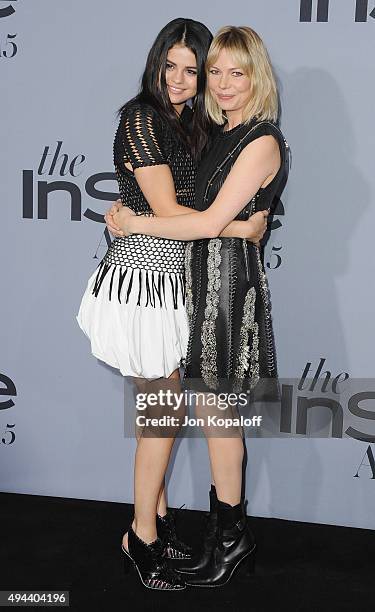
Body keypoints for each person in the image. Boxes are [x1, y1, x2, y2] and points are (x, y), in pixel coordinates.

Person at [77, 19, 265, 591]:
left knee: (157, 411)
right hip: (143, 283)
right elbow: (168, 207)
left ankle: (154, 517)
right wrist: (241, 227)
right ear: (156, 62)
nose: (181, 80)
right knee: (163, 413)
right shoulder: (139, 119)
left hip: (177, 280)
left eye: (194, 69)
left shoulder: (193, 123)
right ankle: (142, 538)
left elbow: (185, 209)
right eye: (172, 66)